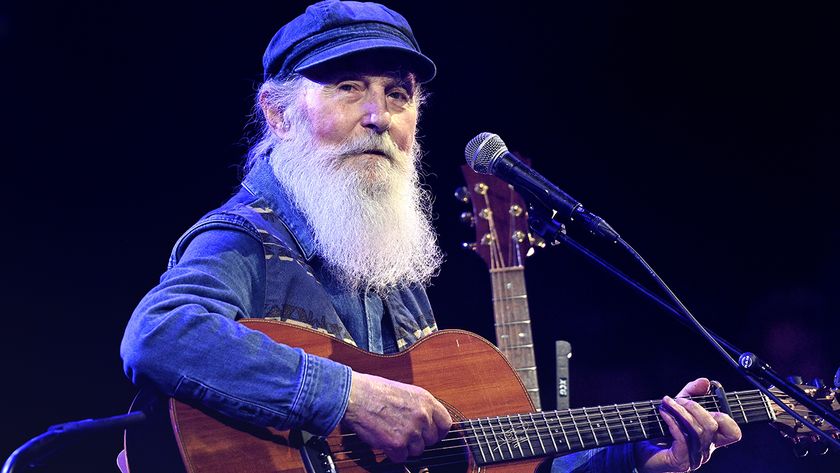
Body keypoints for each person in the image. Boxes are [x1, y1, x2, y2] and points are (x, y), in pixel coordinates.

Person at [120, 1, 742, 471]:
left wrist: (635, 456)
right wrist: (350, 397)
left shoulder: (389, 265)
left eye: (398, 94)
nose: (377, 115)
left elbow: (486, 455)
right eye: (347, 87)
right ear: (279, 114)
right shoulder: (246, 239)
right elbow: (159, 334)